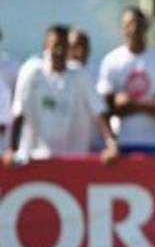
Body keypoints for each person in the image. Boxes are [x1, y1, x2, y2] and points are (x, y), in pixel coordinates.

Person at [2, 25, 118, 165]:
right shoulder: (31, 72)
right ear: (46, 46)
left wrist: (111, 145)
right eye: (56, 46)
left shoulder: (80, 75)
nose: (60, 51)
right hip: (34, 161)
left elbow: (99, 112)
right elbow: (19, 112)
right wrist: (12, 150)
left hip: (71, 162)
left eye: (64, 46)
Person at [97, 7, 155, 155]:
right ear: (122, 28)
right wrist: (111, 141)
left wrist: (131, 104)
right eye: (128, 24)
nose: (134, 29)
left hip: (154, 143)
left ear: (146, 27)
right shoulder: (111, 61)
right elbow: (103, 108)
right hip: (122, 143)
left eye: (138, 24)